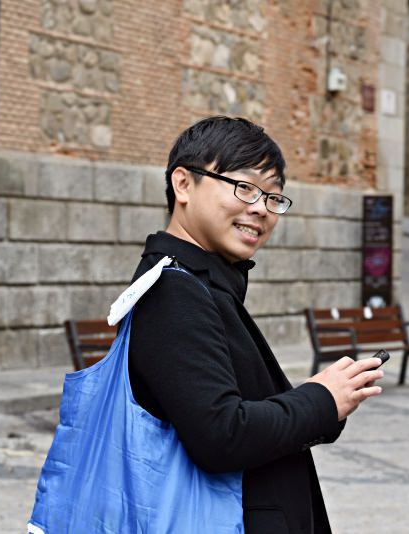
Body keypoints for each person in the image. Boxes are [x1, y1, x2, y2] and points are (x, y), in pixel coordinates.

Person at [124, 116, 384, 533]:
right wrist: (321, 399)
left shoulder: (206, 284)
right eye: (244, 188)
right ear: (183, 184)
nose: (260, 209)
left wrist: (330, 399)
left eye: (274, 197)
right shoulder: (174, 290)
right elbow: (221, 435)